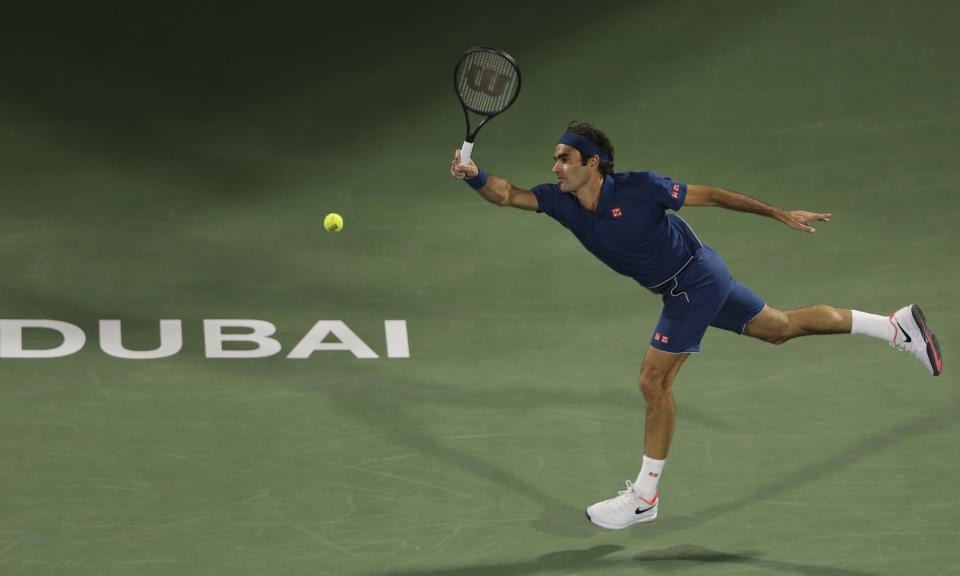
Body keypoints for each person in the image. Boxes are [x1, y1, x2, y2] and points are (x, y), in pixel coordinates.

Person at [449, 121, 942, 531]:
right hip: (692, 280)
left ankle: (645, 497)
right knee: (780, 328)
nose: (554, 167)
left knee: (652, 380)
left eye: (563, 159)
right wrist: (474, 174)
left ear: (591, 163)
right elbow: (506, 195)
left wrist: (777, 213)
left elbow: (714, 196)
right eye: (554, 159)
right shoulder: (559, 201)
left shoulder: (641, 188)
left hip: (695, 282)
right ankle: (896, 327)